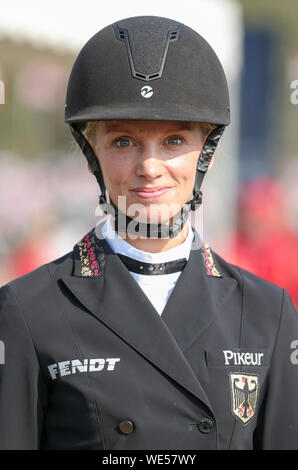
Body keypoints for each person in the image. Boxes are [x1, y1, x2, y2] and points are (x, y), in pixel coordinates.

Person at [0, 15, 297, 451]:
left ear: (207, 155)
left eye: (174, 141)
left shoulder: (268, 313)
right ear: (91, 156)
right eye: (123, 142)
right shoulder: (25, 310)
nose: (150, 167)